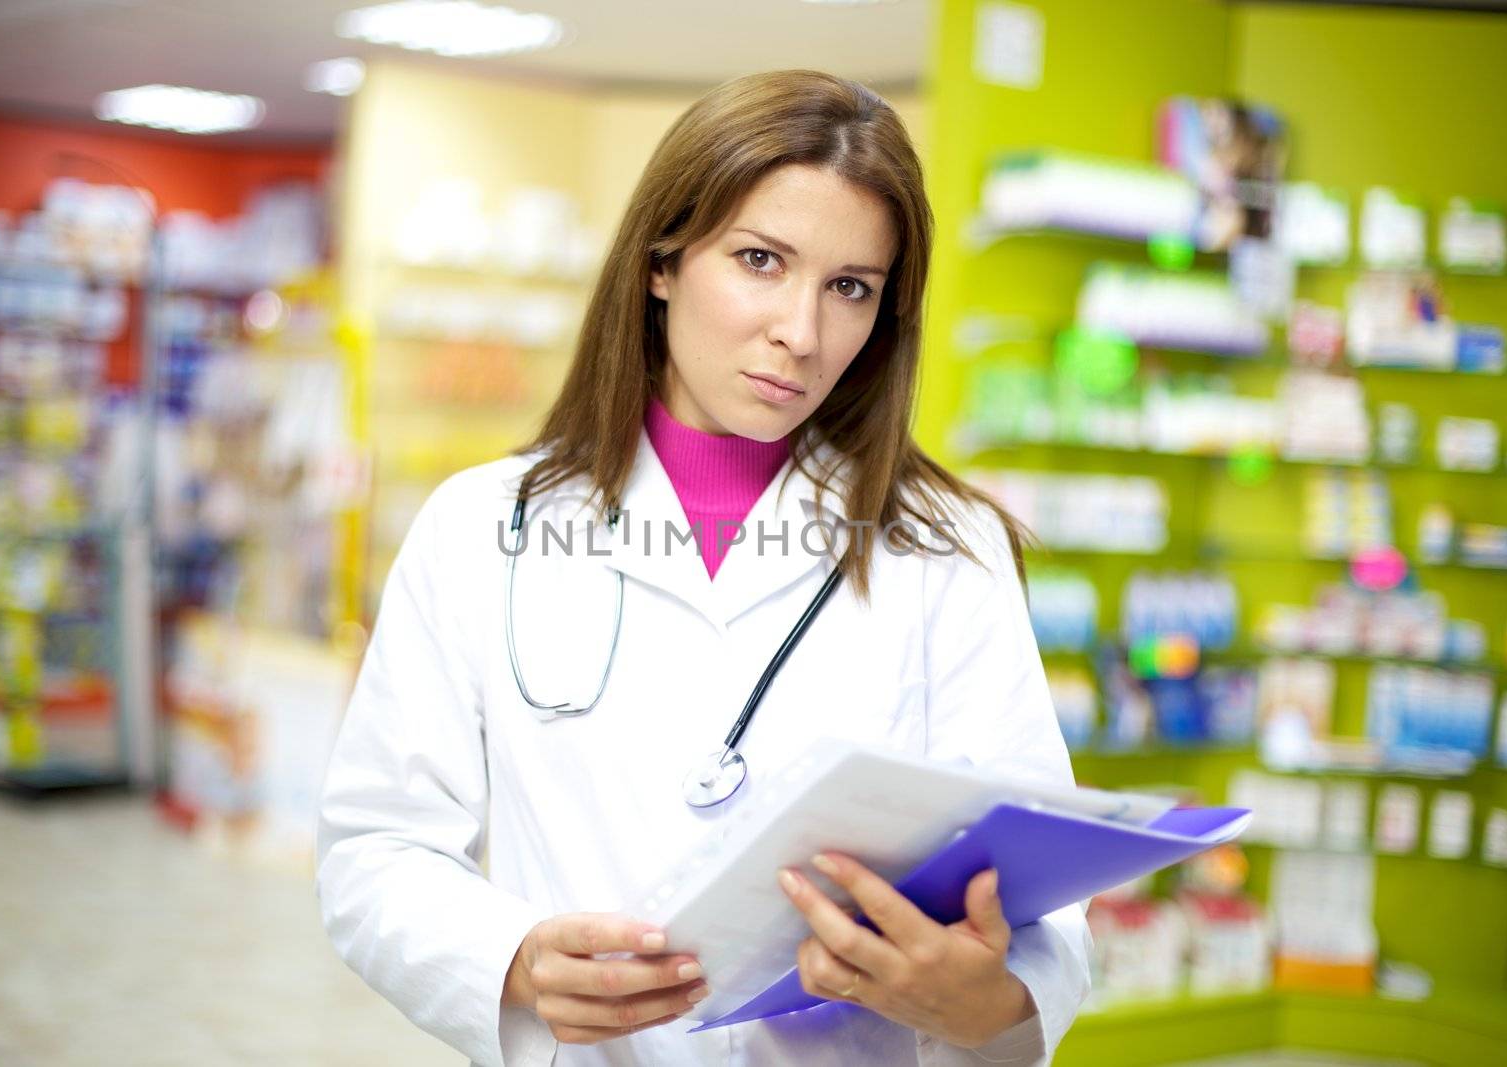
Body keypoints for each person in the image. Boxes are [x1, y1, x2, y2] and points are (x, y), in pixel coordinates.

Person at [315, 69, 1090, 1066]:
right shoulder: (481, 528)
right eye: (760, 260)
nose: (801, 334)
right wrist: (509, 959)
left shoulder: (945, 545)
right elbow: (377, 845)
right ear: (662, 261)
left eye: (849, 287)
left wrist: (989, 1003)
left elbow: (1035, 889)